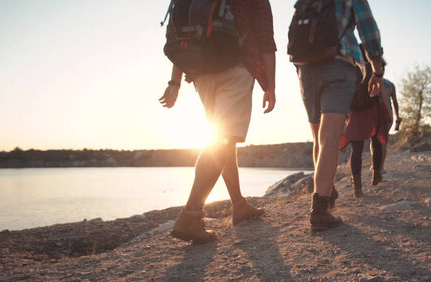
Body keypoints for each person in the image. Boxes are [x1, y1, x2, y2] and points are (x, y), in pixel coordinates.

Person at [159, 0, 277, 243]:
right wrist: (270, 85)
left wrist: (175, 82)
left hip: (200, 72)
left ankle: (239, 205)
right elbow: (266, 39)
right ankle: (190, 215)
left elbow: (185, 37)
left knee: (223, 139)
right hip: (235, 67)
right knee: (223, 141)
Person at [292, 0, 384, 232]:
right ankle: (320, 209)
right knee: (330, 137)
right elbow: (368, 28)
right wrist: (377, 69)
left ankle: (326, 190)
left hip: (305, 70)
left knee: (318, 138)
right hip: (338, 64)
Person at [339, 56, 392, 197]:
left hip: (355, 113)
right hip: (372, 112)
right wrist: (388, 113)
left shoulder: (351, 70)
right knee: (376, 143)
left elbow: (344, 94)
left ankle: (357, 187)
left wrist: (344, 115)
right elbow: (382, 92)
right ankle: (376, 177)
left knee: (356, 149)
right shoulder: (373, 69)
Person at [378, 77, 401, 171]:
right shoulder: (390, 85)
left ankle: (376, 166)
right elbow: (395, 102)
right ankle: (381, 166)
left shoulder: (372, 81)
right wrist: (397, 116)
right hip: (388, 114)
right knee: (383, 140)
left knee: (375, 141)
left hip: (375, 114)